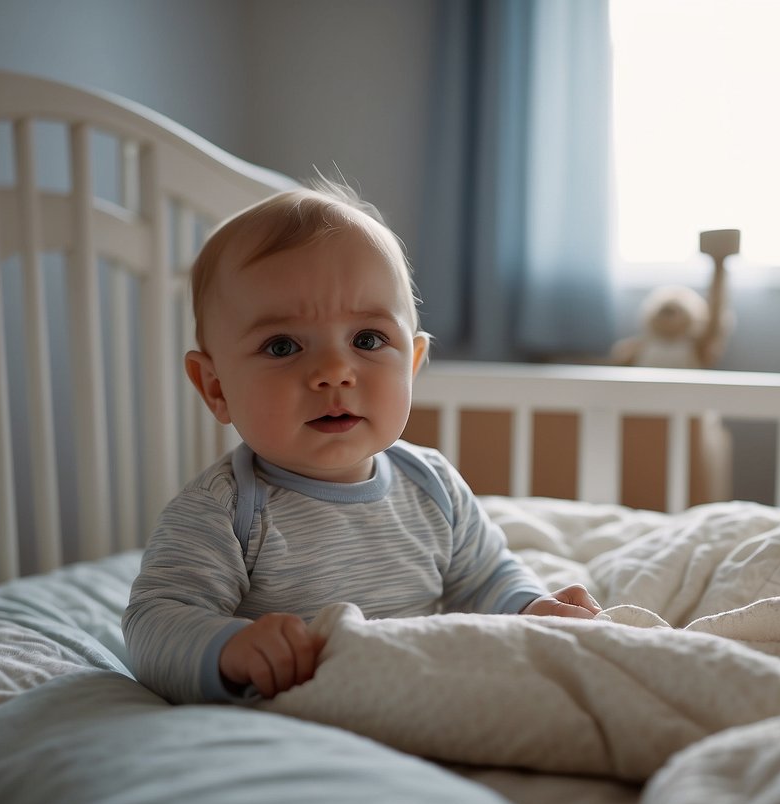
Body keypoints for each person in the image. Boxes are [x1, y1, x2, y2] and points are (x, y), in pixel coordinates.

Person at [123, 179, 601, 705]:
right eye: (282, 346)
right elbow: (154, 624)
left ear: (413, 364)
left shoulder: (433, 486)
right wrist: (228, 649)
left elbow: (486, 578)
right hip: (299, 718)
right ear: (216, 388)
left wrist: (531, 608)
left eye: (368, 340)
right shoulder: (224, 510)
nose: (333, 371)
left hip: (421, 702)